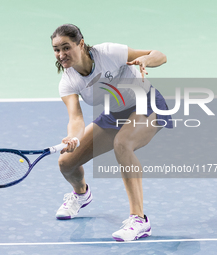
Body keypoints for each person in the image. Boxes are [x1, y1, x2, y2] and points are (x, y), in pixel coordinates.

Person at [51, 24, 172, 242]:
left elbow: (160, 56)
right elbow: (76, 118)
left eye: (65, 48)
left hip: (147, 104)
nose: (61, 55)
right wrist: (73, 138)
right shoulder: (68, 81)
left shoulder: (108, 52)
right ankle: (81, 194)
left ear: (80, 44)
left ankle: (139, 220)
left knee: (122, 143)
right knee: (66, 163)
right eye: (56, 50)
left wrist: (145, 60)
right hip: (115, 114)